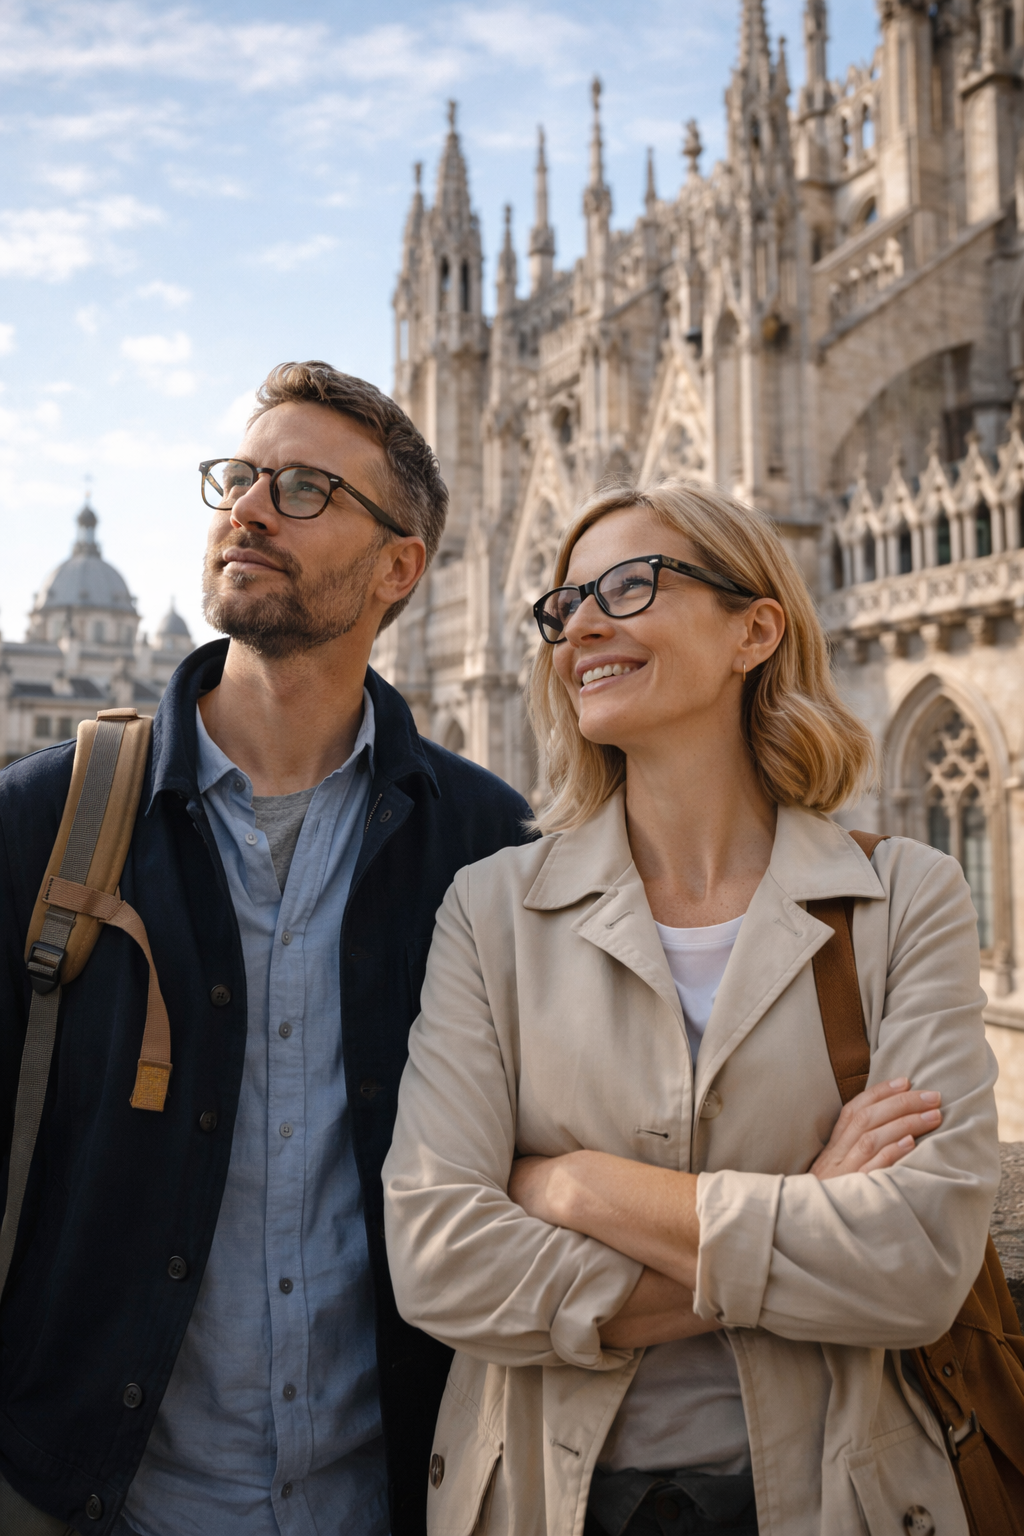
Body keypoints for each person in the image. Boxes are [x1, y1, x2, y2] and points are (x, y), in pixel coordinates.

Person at [383, 479, 1001, 1536]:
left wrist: (574, 1186)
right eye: (561, 603)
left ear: (754, 629)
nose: (578, 623)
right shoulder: (491, 909)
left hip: (834, 1498)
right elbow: (439, 1260)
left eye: (628, 586)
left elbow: (916, 1271)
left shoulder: (905, 897)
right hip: (542, 1498)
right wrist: (806, 1198)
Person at [0, 361, 533, 1536]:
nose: (246, 507)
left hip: (391, 1500)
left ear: (399, 567)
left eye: (302, 489)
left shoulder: (489, 842)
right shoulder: (41, 821)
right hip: (95, 1499)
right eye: (239, 478)